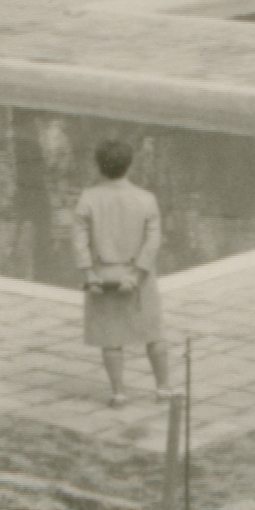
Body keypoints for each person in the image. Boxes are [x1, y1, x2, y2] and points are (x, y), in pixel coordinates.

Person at [72, 137, 170, 405]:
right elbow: (153, 242)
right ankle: (163, 388)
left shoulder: (88, 198)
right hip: (138, 276)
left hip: (102, 275)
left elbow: (79, 240)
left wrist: (88, 275)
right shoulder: (146, 199)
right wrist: (137, 275)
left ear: (98, 167)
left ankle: (119, 393)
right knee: (153, 333)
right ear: (130, 165)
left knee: (111, 338)